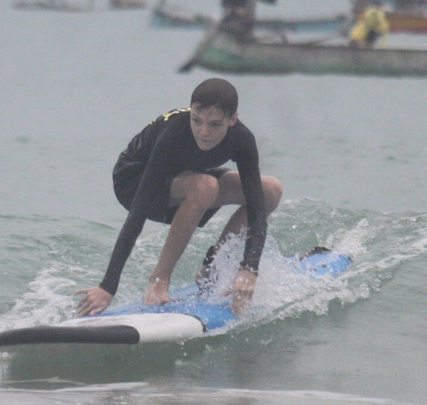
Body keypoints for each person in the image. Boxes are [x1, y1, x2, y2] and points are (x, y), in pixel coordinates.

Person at [75, 78, 282, 317]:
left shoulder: (242, 140)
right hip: (134, 184)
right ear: (191, 112)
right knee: (205, 186)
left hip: (189, 177)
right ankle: (159, 278)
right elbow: (138, 214)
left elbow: (256, 207)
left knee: (270, 190)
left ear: (232, 119)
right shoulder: (174, 133)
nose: (203, 132)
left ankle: (211, 267)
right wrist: (107, 286)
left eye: (215, 125)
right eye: (197, 121)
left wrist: (249, 269)